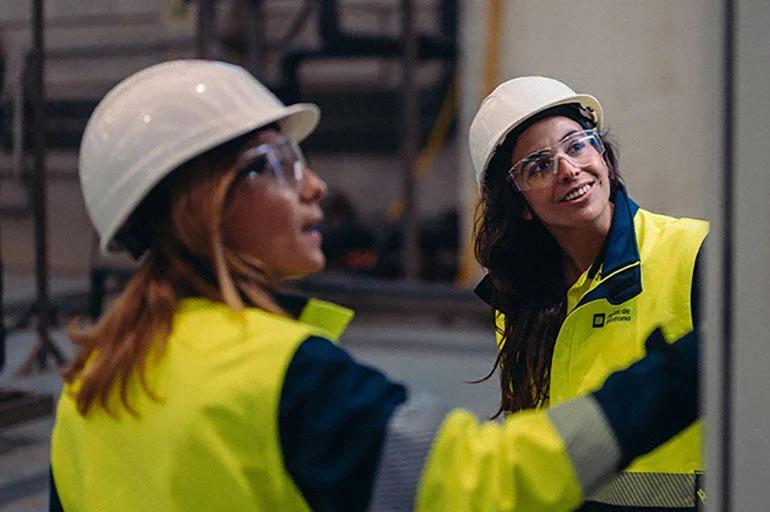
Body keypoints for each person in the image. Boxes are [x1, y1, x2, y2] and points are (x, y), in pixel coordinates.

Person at [50, 60, 700, 512]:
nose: (315, 187)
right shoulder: (282, 376)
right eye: (277, 165)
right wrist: (687, 372)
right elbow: (479, 484)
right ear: (207, 205)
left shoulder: (88, 382)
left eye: (578, 143)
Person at [469, 76, 709, 510]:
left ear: (602, 153)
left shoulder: (694, 256)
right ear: (520, 203)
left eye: (576, 145)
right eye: (538, 166)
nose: (567, 169)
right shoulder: (517, 301)